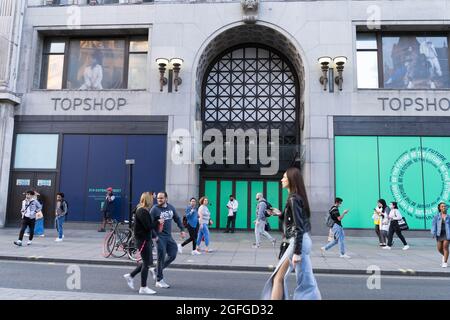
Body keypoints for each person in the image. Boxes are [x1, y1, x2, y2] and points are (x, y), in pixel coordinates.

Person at [261, 167, 321, 300]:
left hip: (298, 241)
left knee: (278, 277)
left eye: (284, 177)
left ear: (291, 180)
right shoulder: (296, 198)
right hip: (301, 240)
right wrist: (280, 214)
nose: (281, 179)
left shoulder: (293, 199)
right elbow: (294, 221)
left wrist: (297, 252)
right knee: (305, 280)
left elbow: (298, 227)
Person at [123, 192, 160, 295]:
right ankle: (143, 287)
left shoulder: (142, 210)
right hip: (143, 240)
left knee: (146, 262)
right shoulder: (142, 211)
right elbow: (148, 227)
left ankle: (130, 276)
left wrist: (155, 221)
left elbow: (147, 225)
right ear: (148, 200)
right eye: (152, 199)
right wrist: (157, 221)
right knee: (146, 263)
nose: (153, 201)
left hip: (144, 239)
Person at [150, 192, 186, 288]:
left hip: (169, 237)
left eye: (161, 198)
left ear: (166, 198)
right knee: (161, 256)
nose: (159, 200)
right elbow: (148, 223)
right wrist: (156, 222)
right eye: (158, 198)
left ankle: (156, 270)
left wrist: (182, 229)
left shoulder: (170, 207)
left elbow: (177, 218)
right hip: (159, 236)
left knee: (173, 254)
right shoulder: (154, 209)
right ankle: (159, 280)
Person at [431, 202, 450, 268]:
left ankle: (445, 262)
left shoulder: (448, 216)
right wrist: (433, 232)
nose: (443, 207)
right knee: (439, 249)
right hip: (439, 234)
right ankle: (445, 256)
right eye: (442, 206)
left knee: (445, 247)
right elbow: (433, 225)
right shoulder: (436, 216)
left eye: (444, 206)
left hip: (447, 234)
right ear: (439, 208)